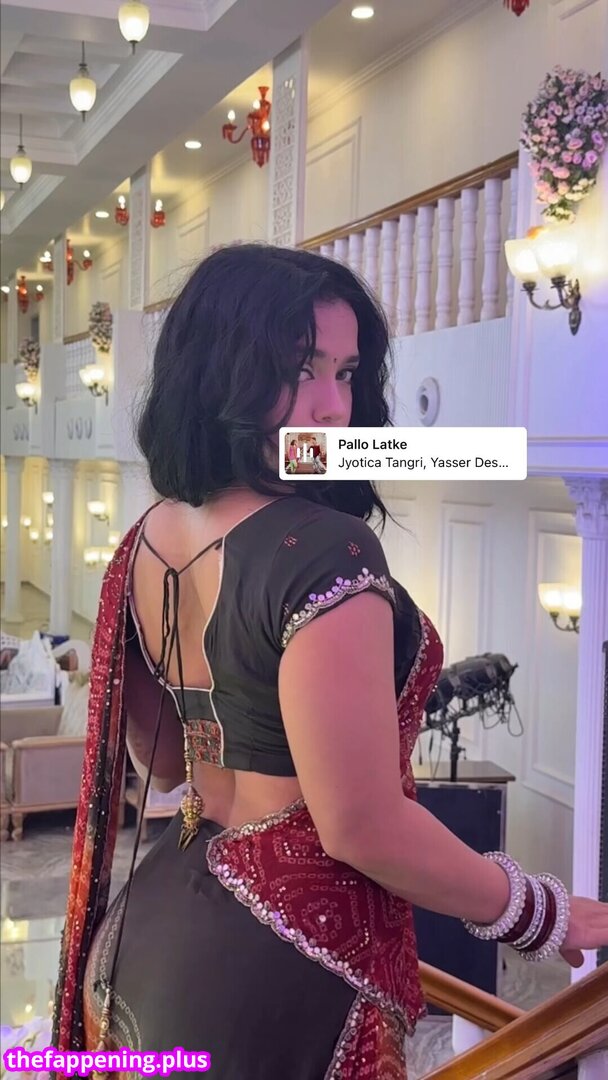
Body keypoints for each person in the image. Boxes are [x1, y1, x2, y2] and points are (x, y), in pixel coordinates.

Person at [52, 244, 608, 1080]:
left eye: (346, 373)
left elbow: (162, 764)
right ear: (222, 368)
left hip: (152, 927)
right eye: (300, 368)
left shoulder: (146, 539)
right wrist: (545, 914)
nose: (333, 406)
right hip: (281, 958)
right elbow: (361, 826)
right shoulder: (321, 549)